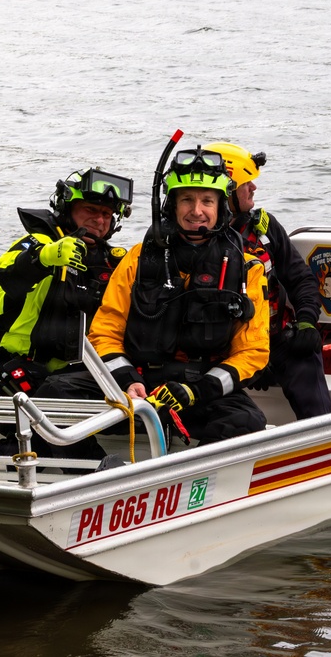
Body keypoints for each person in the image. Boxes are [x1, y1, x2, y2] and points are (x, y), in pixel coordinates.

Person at [38, 146, 270, 445]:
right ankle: (100, 473)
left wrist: (197, 391)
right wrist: (127, 381)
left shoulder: (247, 268)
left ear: (220, 207)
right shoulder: (136, 258)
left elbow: (253, 351)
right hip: (136, 384)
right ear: (171, 205)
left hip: (200, 387)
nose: (196, 210)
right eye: (186, 199)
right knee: (54, 395)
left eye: (206, 201)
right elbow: (105, 331)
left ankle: (190, 484)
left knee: (245, 421)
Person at [0, 167, 132, 459]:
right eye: (90, 210)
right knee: (50, 424)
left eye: (107, 215)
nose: (99, 220)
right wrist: (44, 258)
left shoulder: (111, 262)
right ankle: (99, 476)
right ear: (68, 210)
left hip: (66, 377)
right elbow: (4, 269)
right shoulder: (39, 243)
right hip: (6, 375)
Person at [203, 142, 331, 419]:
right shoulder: (194, 239)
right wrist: (248, 359)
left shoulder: (263, 228)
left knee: (307, 367)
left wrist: (307, 321)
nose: (253, 188)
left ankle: (324, 440)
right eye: (246, 182)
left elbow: (301, 279)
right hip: (225, 349)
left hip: (277, 340)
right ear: (226, 189)